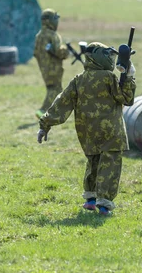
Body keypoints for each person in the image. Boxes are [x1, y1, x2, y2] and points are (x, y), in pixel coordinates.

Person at [37, 42, 136, 216]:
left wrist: (45, 125)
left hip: (88, 132)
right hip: (111, 132)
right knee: (110, 165)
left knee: (93, 162)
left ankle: (90, 199)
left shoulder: (79, 79)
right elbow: (126, 98)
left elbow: (62, 103)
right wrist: (128, 76)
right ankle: (104, 204)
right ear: (99, 57)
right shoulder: (109, 77)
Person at [33, 8, 69, 119]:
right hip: (54, 67)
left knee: (53, 89)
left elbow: (35, 53)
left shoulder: (39, 35)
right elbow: (59, 51)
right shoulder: (53, 35)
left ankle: (56, 112)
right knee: (55, 89)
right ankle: (43, 111)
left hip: (43, 68)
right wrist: (66, 51)